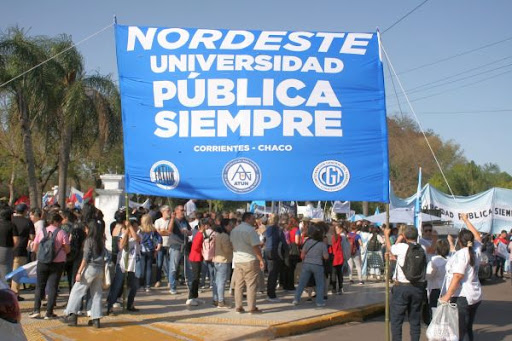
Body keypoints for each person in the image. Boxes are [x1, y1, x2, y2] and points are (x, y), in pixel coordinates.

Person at [440, 213, 482, 341]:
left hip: (462, 296)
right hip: (475, 294)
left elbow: (457, 276)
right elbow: (478, 236)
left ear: (460, 240)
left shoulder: (462, 254)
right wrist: (466, 220)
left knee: (458, 330)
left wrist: (447, 296)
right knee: (467, 327)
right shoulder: (476, 249)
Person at [384, 225, 426, 341]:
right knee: (415, 320)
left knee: (397, 320)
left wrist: (387, 235)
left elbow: (390, 248)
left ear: (405, 236)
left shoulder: (401, 247)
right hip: (418, 287)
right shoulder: (422, 248)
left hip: (401, 287)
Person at [64, 220, 105, 328]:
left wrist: (79, 272)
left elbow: (85, 258)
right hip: (99, 269)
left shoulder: (89, 240)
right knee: (97, 294)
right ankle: (96, 319)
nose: (85, 230)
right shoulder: (101, 240)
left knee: (76, 291)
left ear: (90, 229)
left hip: (90, 268)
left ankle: (71, 315)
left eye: (87, 228)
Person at [30, 212, 70, 319]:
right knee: (52, 287)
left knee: (39, 286)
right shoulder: (62, 233)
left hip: (42, 262)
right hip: (57, 263)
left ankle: (36, 310)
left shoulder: (41, 231)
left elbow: (34, 248)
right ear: (57, 222)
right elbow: (67, 249)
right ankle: (49, 312)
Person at [230, 212, 265, 314]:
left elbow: (232, 244)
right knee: (251, 284)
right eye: (253, 218)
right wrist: (261, 259)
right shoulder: (250, 230)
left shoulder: (234, 230)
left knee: (239, 284)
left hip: (238, 260)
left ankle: (239, 307)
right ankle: (251, 307)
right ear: (248, 219)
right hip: (250, 260)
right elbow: (255, 247)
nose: (254, 221)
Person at [106, 218, 141, 314]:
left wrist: (130, 227)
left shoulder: (138, 235)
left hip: (133, 263)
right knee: (117, 285)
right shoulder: (122, 236)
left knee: (134, 285)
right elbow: (121, 246)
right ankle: (110, 306)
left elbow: (137, 238)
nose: (136, 227)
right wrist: (126, 232)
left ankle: (130, 304)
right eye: (134, 226)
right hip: (122, 263)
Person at [293, 222, 329, 307]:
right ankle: (319, 302)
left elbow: (302, 255)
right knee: (320, 284)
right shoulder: (322, 244)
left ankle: (296, 299)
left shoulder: (307, 242)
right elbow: (326, 257)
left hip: (307, 264)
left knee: (302, 283)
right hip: (318, 265)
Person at [10, 204, 34, 299]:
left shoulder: (11, 221)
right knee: (17, 273)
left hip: (8, 249)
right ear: (24, 211)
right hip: (21, 249)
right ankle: (14, 293)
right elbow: (32, 237)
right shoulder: (28, 222)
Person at [264, 214, 288, 302]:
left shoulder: (267, 229)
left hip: (267, 251)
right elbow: (284, 243)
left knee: (270, 273)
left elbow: (264, 239)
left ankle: (269, 293)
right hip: (275, 252)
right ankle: (271, 295)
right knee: (274, 274)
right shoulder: (278, 230)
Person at [168, 205, 191, 295]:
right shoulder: (174, 220)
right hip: (175, 245)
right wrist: (172, 219)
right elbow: (169, 231)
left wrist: (187, 232)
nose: (183, 212)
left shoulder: (185, 221)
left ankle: (190, 285)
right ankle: (172, 287)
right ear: (176, 211)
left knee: (187, 267)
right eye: (181, 210)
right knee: (173, 267)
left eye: (184, 210)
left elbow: (190, 231)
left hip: (184, 245)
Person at [187, 218, 209, 306]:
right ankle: (191, 297)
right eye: (206, 225)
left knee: (197, 277)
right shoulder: (199, 234)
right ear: (203, 226)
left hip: (197, 257)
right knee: (195, 278)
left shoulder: (201, 234)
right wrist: (203, 250)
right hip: (195, 257)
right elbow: (195, 247)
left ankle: (195, 297)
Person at [213, 219, 234, 308]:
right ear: (225, 226)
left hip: (217, 260)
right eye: (230, 225)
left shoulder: (218, 235)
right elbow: (226, 249)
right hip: (223, 260)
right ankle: (221, 301)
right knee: (221, 282)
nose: (231, 227)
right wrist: (233, 249)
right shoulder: (225, 236)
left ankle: (216, 299)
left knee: (217, 281)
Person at [426, 239, 449, 316]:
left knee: (434, 312)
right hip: (447, 290)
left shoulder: (433, 261)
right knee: (445, 313)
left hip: (435, 289)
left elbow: (429, 275)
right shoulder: (450, 260)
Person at [139, 214, 162, 291]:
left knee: (142, 268)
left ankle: (141, 285)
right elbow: (159, 238)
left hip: (141, 250)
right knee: (149, 268)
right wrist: (158, 248)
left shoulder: (140, 229)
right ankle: (148, 285)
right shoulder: (153, 229)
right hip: (151, 250)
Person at [0, 206, 18, 287]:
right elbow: (16, 240)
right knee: (6, 270)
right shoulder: (11, 225)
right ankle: (6, 289)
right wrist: (13, 248)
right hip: (6, 248)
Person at [154, 205, 171, 288]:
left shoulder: (170, 221)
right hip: (160, 245)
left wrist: (163, 231)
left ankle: (169, 280)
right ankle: (158, 280)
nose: (169, 212)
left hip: (169, 244)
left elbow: (170, 232)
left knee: (168, 263)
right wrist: (166, 232)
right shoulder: (158, 221)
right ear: (162, 212)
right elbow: (158, 232)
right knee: (159, 263)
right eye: (167, 211)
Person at [330, 223, 345, 294]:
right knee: (339, 273)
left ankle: (333, 289)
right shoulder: (340, 237)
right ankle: (340, 287)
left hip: (333, 257)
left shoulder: (332, 238)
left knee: (333, 274)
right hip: (340, 257)